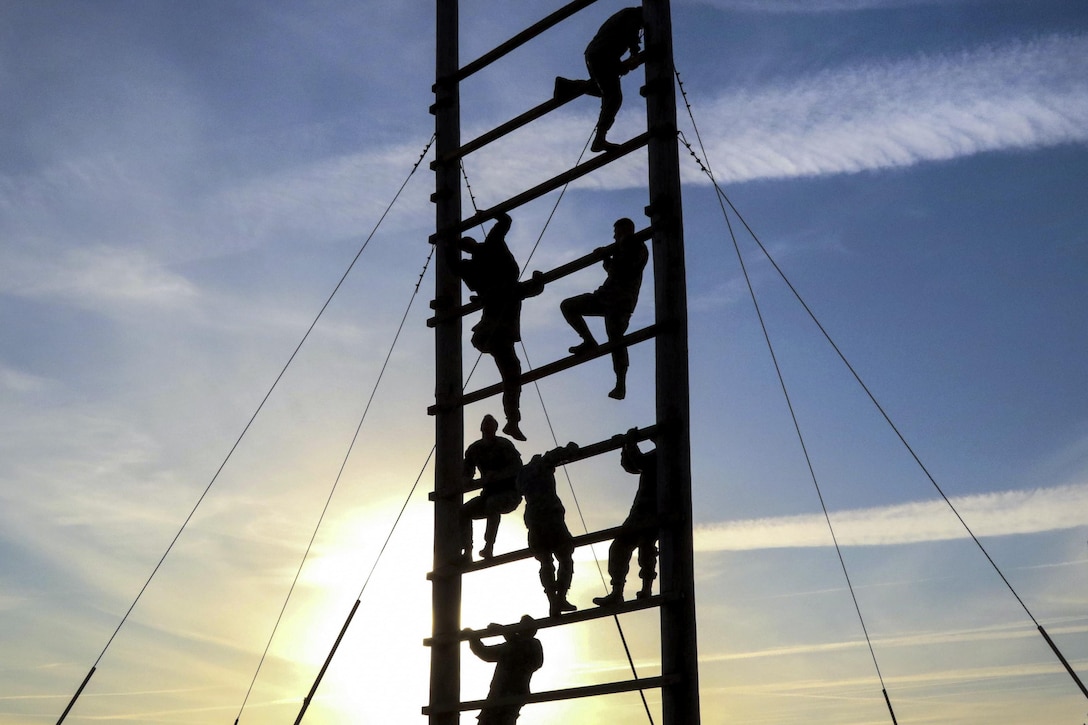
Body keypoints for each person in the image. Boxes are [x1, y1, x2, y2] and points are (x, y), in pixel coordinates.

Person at [454, 212, 543, 442]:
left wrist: (488, 214)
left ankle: (512, 421)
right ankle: (512, 421)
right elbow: (505, 222)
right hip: (494, 333)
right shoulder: (483, 269)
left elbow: (505, 221)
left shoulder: (488, 251)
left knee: (512, 376)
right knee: (512, 375)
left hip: (494, 332)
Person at [560, 217, 648, 400]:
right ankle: (588, 341)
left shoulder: (637, 246)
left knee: (616, 339)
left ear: (624, 230)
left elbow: (621, 271)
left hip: (621, 302)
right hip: (604, 296)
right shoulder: (624, 247)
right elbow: (614, 270)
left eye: (616, 232)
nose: (614, 236)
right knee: (568, 306)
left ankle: (620, 384)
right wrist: (607, 258)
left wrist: (608, 257)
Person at [554, 7, 644, 152]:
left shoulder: (625, 16)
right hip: (602, 55)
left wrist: (621, 66)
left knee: (601, 89)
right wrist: (634, 54)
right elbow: (629, 34)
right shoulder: (633, 16)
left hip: (598, 54)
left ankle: (567, 85)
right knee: (613, 97)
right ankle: (600, 139)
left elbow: (618, 40)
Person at [593, 430, 658, 606]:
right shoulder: (656, 455)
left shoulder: (665, 454)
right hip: (641, 509)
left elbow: (639, 462)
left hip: (654, 509)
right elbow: (632, 466)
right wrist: (626, 446)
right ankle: (619, 591)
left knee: (645, 548)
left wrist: (630, 443)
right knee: (621, 547)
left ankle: (644, 589)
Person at [517, 442, 579, 617]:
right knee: (565, 557)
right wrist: (571, 448)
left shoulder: (523, 474)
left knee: (545, 561)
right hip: (550, 516)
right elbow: (563, 453)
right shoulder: (544, 462)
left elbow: (519, 489)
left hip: (533, 518)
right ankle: (560, 597)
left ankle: (553, 599)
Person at [461, 414, 523, 562]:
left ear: (495, 428)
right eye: (485, 424)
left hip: (509, 494)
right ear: (481, 428)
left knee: (492, 504)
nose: (488, 427)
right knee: (463, 512)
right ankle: (467, 551)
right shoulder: (475, 449)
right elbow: (467, 470)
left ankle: (488, 547)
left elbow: (517, 468)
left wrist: (498, 474)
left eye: (491, 425)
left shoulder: (504, 445)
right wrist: (467, 480)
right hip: (488, 495)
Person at [467, 616, 544, 725]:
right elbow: (485, 653)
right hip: (498, 693)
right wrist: (473, 638)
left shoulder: (532, 644)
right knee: (487, 720)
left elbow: (534, 661)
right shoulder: (510, 646)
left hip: (513, 693)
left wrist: (503, 631)